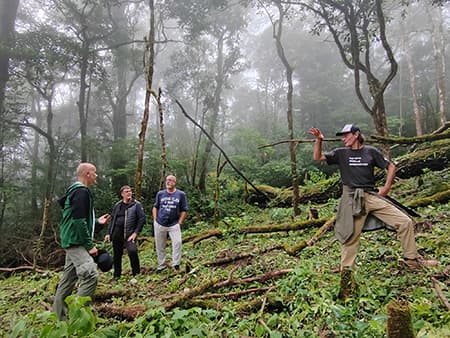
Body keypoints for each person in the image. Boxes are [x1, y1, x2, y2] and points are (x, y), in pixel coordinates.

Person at [308, 124, 438, 270]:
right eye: (342, 136)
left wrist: (387, 187)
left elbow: (391, 166)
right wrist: (319, 140)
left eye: (346, 135)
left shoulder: (370, 152)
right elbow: (318, 157)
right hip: (352, 199)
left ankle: (412, 261)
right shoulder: (341, 153)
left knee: (405, 221)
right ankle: (346, 271)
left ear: (356, 134)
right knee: (350, 236)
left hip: (372, 196)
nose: (344, 139)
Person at [53, 162, 111, 321]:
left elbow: (77, 218)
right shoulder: (81, 192)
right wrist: (90, 246)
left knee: (66, 283)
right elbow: (78, 221)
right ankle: (77, 317)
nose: (96, 175)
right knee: (91, 275)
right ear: (87, 174)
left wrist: (97, 222)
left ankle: (59, 320)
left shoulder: (76, 192)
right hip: (76, 242)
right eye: (94, 172)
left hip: (71, 240)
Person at [105, 185, 145, 281]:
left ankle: (136, 273)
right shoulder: (117, 205)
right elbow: (113, 219)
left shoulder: (136, 205)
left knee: (132, 251)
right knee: (117, 255)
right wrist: (108, 233)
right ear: (122, 194)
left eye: (130, 191)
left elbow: (142, 219)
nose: (129, 193)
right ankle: (116, 275)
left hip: (129, 234)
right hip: (116, 234)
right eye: (126, 192)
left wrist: (135, 233)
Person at [152, 175, 188, 272]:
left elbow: (184, 210)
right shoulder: (160, 194)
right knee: (160, 245)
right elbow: (155, 207)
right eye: (167, 180)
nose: (168, 182)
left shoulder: (181, 194)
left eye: (171, 180)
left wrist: (180, 222)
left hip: (174, 224)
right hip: (160, 223)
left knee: (177, 242)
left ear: (174, 182)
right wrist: (155, 220)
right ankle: (161, 265)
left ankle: (176, 264)